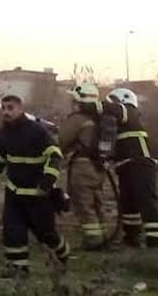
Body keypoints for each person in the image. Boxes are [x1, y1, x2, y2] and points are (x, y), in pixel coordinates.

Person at [0, 95, 70, 278]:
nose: (6, 112)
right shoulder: (2, 135)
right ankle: (18, 268)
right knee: (12, 231)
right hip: (14, 194)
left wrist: (48, 180)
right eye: (3, 108)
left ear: (20, 109)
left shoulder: (37, 131)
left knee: (46, 234)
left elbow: (54, 155)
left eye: (10, 108)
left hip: (38, 196)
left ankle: (63, 255)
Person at [106, 88, 158, 248]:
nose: (112, 105)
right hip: (126, 166)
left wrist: (94, 104)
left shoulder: (130, 112)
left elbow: (114, 109)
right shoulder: (121, 122)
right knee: (128, 204)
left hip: (141, 165)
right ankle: (132, 237)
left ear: (124, 101)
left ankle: (156, 241)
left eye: (114, 101)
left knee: (146, 201)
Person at [57, 83, 107, 250]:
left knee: (84, 203)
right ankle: (104, 236)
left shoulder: (77, 119)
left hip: (82, 167)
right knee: (97, 202)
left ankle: (93, 240)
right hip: (98, 167)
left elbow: (60, 141)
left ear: (78, 100)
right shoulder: (99, 119)